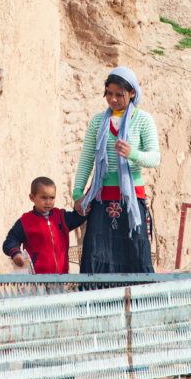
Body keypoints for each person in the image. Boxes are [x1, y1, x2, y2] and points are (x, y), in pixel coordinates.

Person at [73, 66, 160, 274]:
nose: (113, 100)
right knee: (97, 253)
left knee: (135, 252)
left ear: (132, 93)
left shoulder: (143, 120)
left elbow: (155, 158)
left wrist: (133, 153)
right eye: (109, 94)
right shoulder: (97, 122)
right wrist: (78, 194)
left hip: (131, 201)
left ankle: (137, 303)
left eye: (119, 95)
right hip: (101, 199)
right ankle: (97, 304)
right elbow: (86, 160)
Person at [2, 176, 87, 275]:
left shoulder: (61, 217)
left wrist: (85, 207)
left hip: (61, 278)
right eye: (44, 197)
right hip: (36, 280)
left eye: (52, 198)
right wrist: (15, 253)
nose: (48, 202)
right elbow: (11, 240)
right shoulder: (25, 221)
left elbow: (78, 217)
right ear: (32, 198)